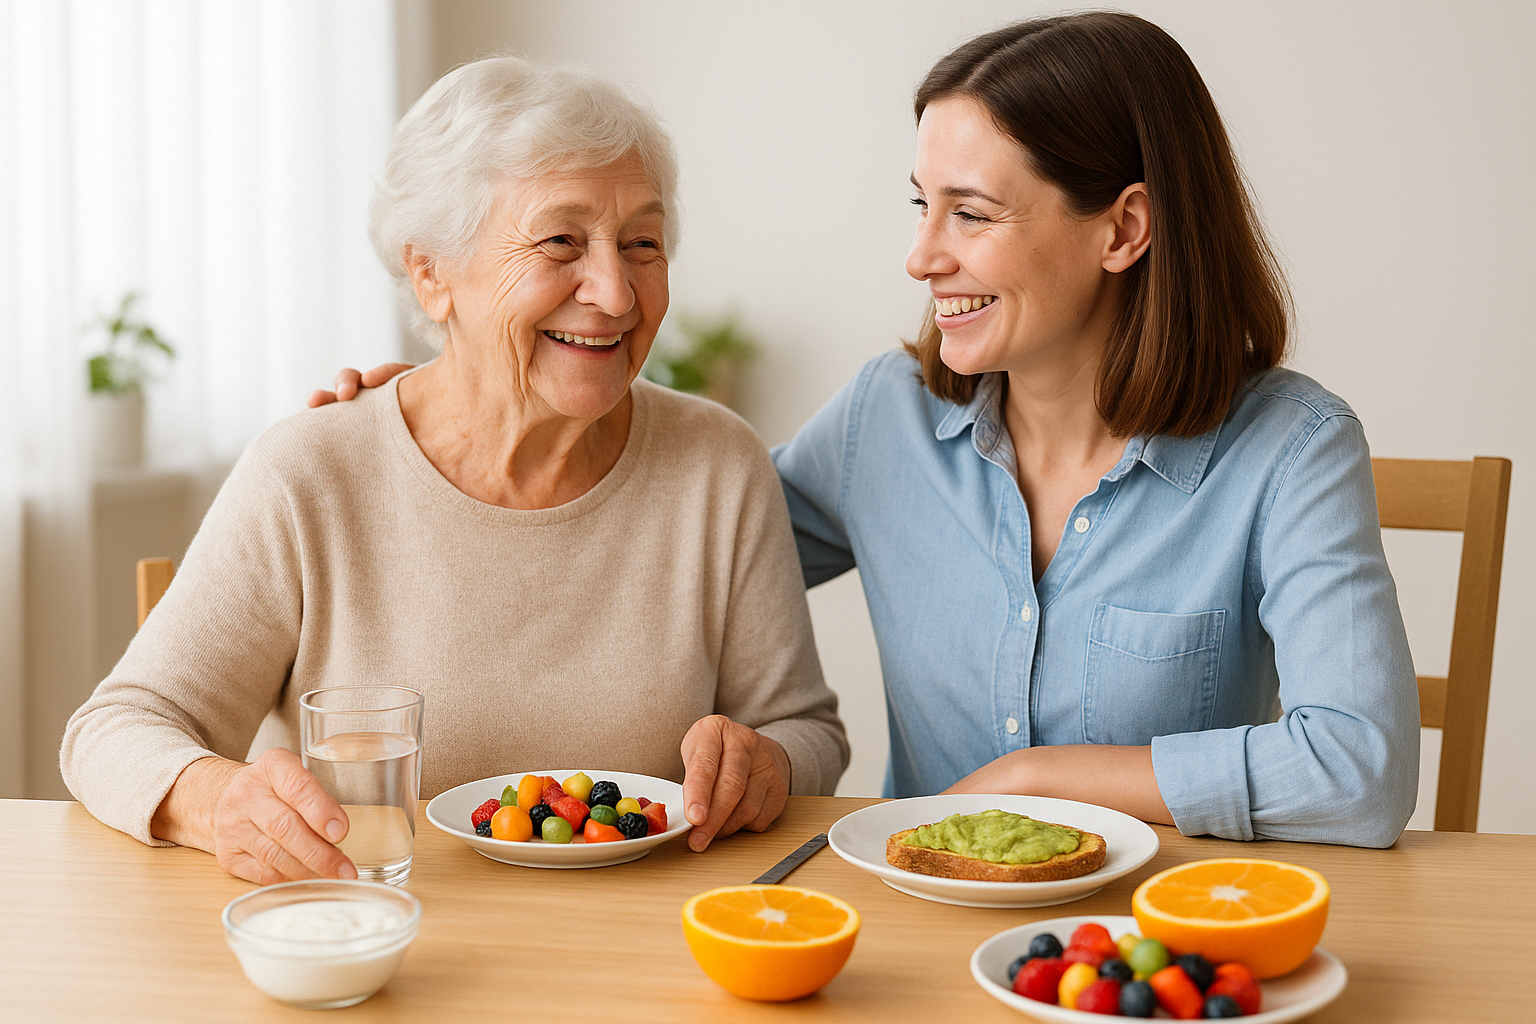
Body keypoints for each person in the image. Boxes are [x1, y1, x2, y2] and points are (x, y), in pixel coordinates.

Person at [319, 13, 1420, 847]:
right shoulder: (887, 422)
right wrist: (457, 411)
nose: (922, 256)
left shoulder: (1292, 449)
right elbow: (654, 540)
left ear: (1123, 228)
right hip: (911, 931)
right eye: (920, 205)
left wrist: (1037, 778)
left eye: (971, 215)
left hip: (1155, 940)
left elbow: (1359, 768)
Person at [60, 56, 848, 886]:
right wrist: (218, 801)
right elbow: (117, 729)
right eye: (560, 242)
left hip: (654, 957)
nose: (616, 293)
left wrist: (763, 764)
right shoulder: (314, 473)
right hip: (386, 941)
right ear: (433, 274)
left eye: (642, 243)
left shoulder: (717, 463)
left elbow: (805, 729)